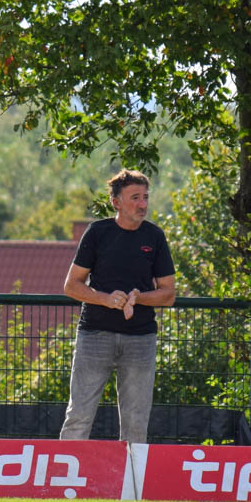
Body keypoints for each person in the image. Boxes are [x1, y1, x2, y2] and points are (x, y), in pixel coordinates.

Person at [59, 169, 176, 444]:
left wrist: (139, 297)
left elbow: (168, 294)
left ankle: (132, 475)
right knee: (78, 417)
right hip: (94, 335)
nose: (143, 204)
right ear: (116, 202)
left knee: (136, 423)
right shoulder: (97, 232)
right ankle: (64, 473)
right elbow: (71, 286)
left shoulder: (155, 236)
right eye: (135, 198)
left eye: (145, 197)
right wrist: (105, 299)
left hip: (141, 338)